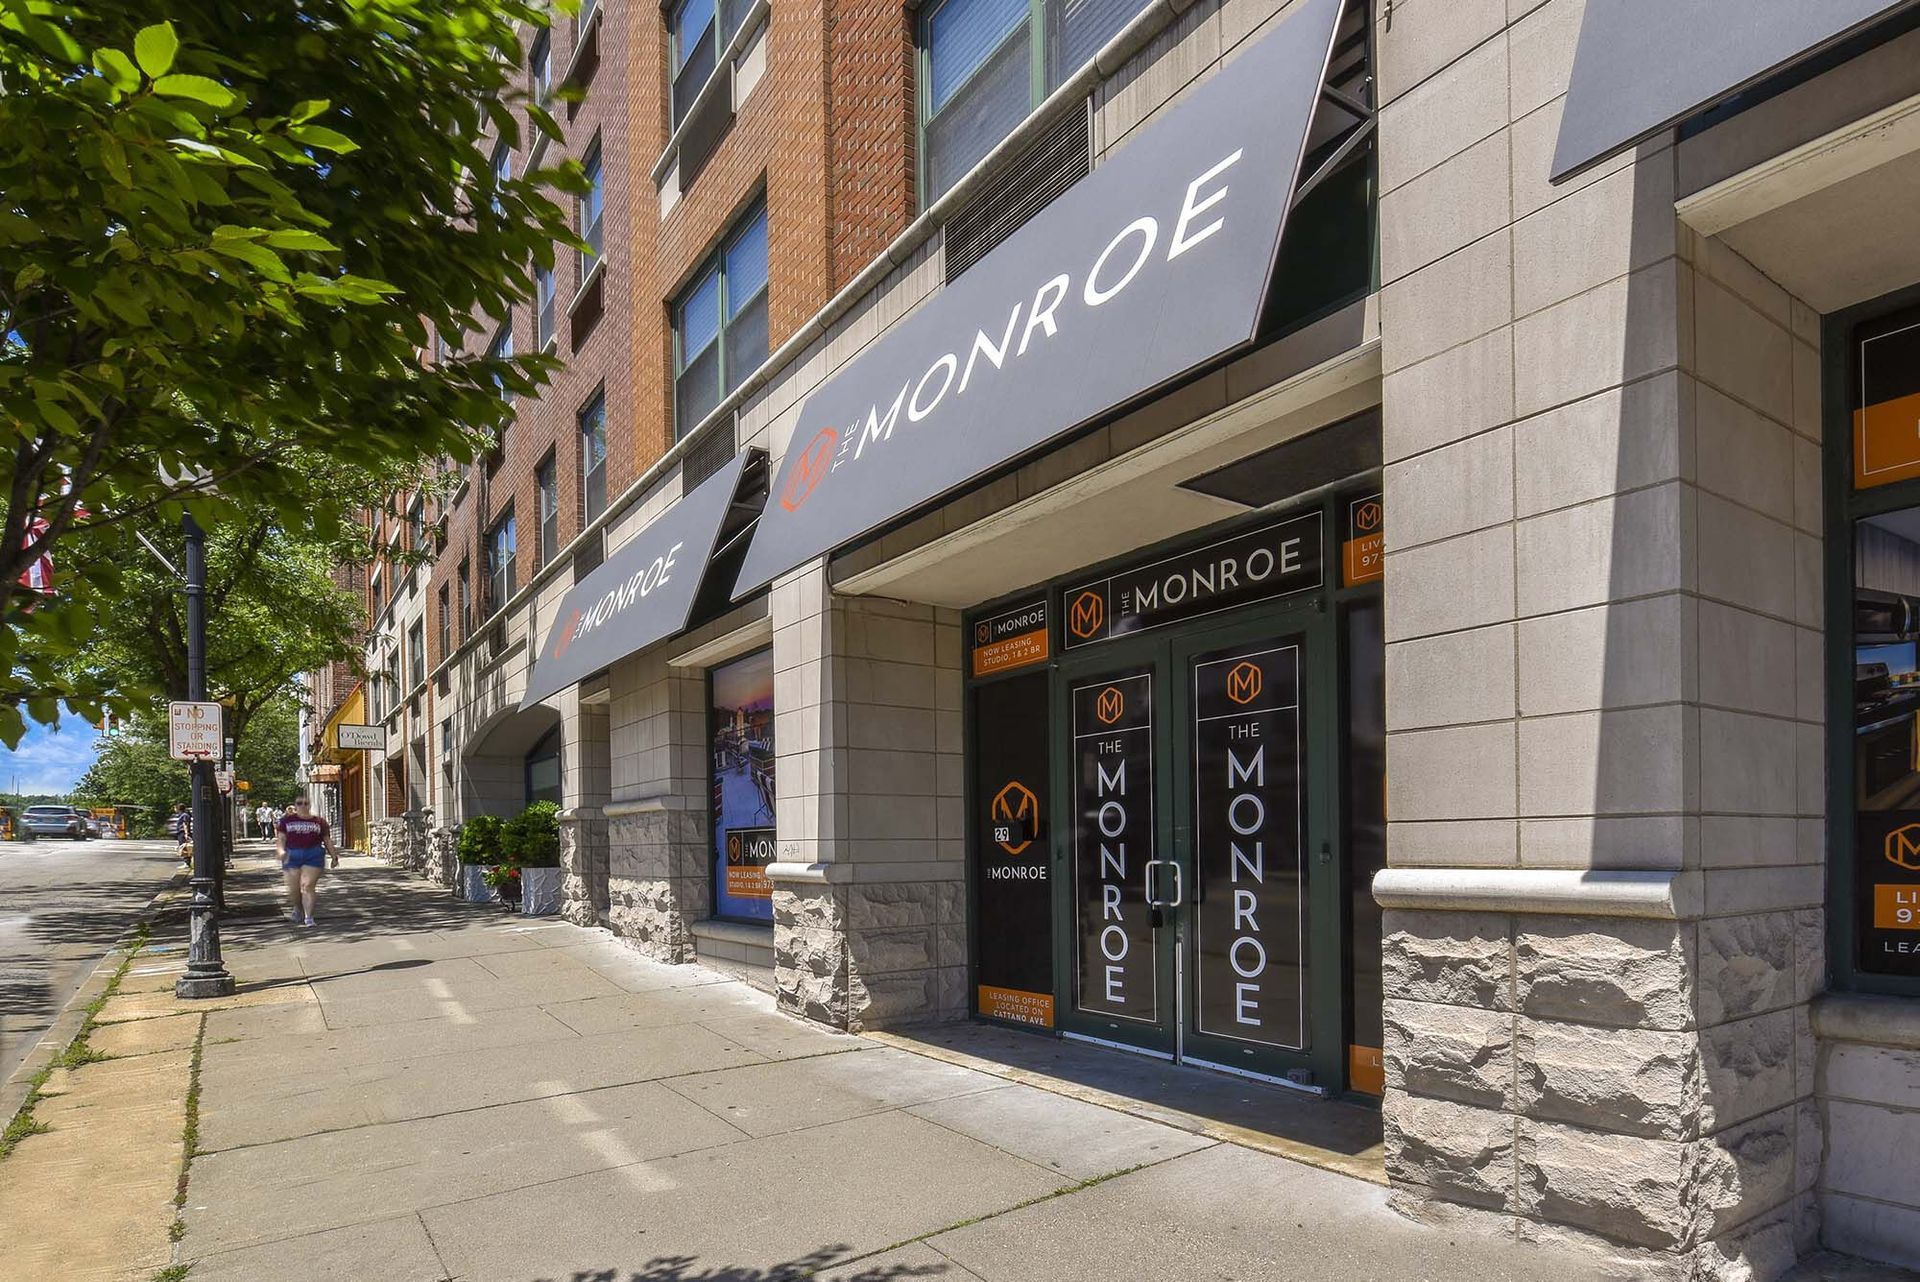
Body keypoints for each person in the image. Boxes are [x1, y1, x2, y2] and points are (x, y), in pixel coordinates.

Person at [276, 797, 337, 927]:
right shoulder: (286, 821)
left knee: (307, 886)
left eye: (306, 803)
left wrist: (334, 856)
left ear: (309, 805)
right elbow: (281, 838)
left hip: (313, 854)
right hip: (292, 854)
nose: (303, 805)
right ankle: (298, 908)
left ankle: (309, 918)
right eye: (299, 803)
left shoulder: (319, 822)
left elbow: (326, 840)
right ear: (295, 806)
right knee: (294, 889)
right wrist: (281, 851)